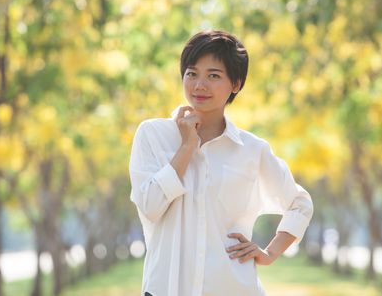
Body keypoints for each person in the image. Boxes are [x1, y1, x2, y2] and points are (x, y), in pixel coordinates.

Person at [129, 30, 314, 296]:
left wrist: (269, 253)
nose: (199, 85)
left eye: (213, 76)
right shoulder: (153, 135)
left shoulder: (252, 150)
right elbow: (150, 206)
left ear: (236, 84)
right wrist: (187, 146)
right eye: (192, 73)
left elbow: (300, 203)